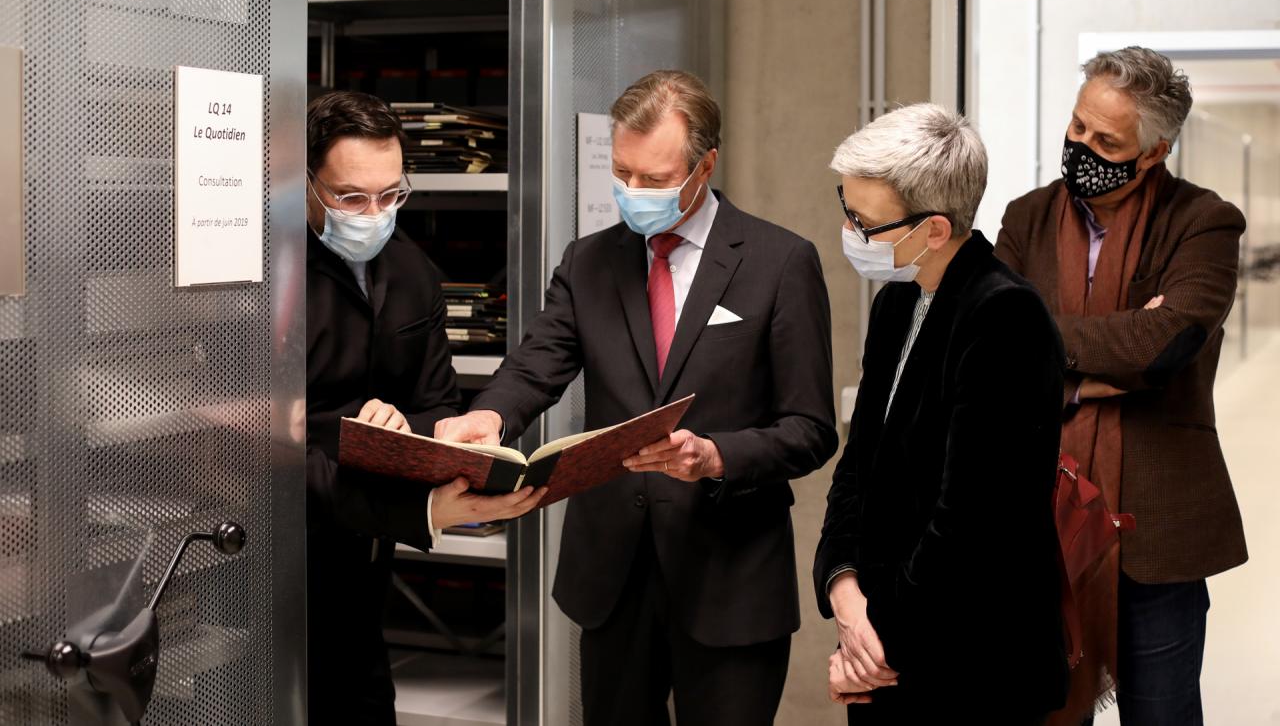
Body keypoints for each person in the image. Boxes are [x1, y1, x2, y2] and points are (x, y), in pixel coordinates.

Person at [433, 70, 838, 726]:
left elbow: (811, 427)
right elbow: (540, 360)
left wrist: (716, 456)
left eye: (654, 178)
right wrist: (490, 412)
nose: (633, 192)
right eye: (622, 173)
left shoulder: (780, 262)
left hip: (729, 577)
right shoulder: (589, 260)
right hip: (613, 576)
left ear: (705, 164)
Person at [995, 47, 1247, 725]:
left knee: (1162, 716)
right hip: (1033, 521)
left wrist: (1047, 339)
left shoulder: (1203, 222)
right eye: (1079, 127)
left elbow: (1167, 343)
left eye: (1106, 140)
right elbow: (990, 345)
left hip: (1156, 531)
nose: (1082, 146)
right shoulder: (1026, 217)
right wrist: (1116, 354)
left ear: (1155, 149)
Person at [814, 103, 1069, 724]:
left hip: (971, 660)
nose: (851, 232)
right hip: (884, 639)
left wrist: (875, 644)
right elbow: (862, 462)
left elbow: (972, 520)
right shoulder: (898, 303)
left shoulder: (1005, 317)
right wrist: (843, 588)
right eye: (846, 210)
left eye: (866, 223)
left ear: (932, 230)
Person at [305, 91, 544, 725]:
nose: (374, 213)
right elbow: (260, 451)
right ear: (305, 185)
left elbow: (436, 408)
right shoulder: (262, 280)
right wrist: (364, 448)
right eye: (351, 197)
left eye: (392, 194)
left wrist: (398, 435)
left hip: (364, 560)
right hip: (275, 557)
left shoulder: (413, 270)